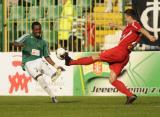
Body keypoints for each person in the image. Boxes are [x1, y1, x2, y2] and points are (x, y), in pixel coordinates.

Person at [64, 9, 156, 104]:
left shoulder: (135, 24)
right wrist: (115, 25)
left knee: (96, 57)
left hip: (119, 51)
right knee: (112, 79)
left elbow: (141, 29)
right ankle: (130, 95)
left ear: (129, 16)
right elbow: (126, 29)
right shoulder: (130, 27)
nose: (125, 19)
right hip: (125, 56)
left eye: (125, 17)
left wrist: (150, 36)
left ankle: (70, 62)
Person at [12, 22, 65, 103]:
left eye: (39, 29)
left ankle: (53, 75)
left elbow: (47, 56)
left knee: (41, 61)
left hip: (38, 60)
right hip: (28, 62)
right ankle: (53, 96)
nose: (38, 31)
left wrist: (57, 66)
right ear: (32, 30)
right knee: (40, 79)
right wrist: (21, 45)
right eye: (36, 29)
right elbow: (14, 43)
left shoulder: (43, 42)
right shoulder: (27, 36)